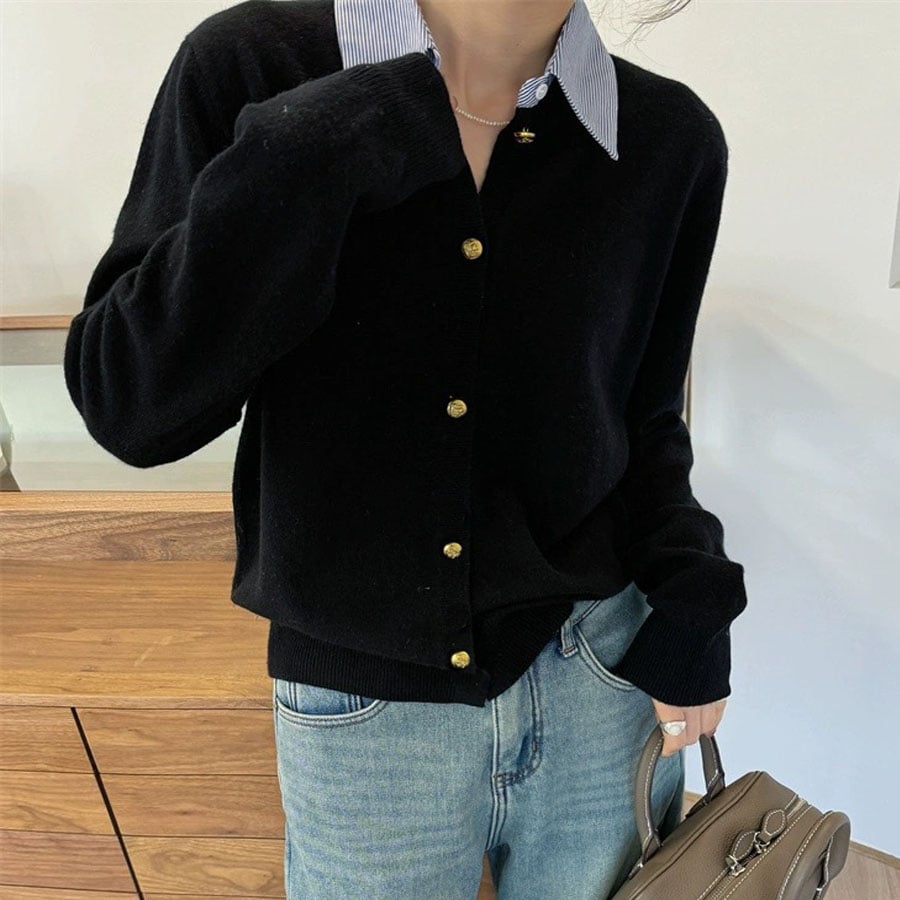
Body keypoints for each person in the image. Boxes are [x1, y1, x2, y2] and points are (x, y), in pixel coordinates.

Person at [64, 0, 748, 896]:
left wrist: (694, 598)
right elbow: (131, 405)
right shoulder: (254, 67)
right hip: (366, 716)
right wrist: (324, 141)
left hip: (602, 680)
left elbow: (644, 418)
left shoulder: (667, 137)